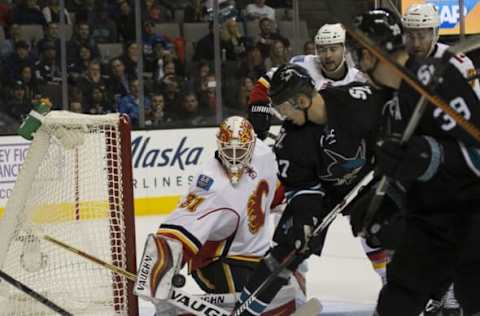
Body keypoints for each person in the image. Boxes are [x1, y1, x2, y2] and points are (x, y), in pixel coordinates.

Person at [348, 8, 480, 316]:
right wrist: (385, 196)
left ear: (368, 55)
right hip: (430, 218)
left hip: (469, 213)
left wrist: (431, 156)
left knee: (472, 293)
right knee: (397, 298)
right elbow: (402, 162)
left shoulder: (440, 79)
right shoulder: (390, 99)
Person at [236, 63, 392, 315]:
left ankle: (416, 293)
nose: (282, 116)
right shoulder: (290, 140)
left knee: (390, 230)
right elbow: (302, 188)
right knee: (289, 247)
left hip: (373, 178)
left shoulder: (354, 101)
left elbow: (392, 119)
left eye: (283, 108)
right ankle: (246, 310)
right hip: (326, 191)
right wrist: (303, 220)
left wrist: (389, 150)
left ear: (301, 100)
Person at [135, 116, 296, 315]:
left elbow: (273, 193)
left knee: (282, 289)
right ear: (219, 146)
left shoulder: (263, 155)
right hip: (217, 260)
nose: (235, 157)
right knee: (248, 302)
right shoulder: (212, 185)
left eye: (241, 150)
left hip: (257, 253)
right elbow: (180, 227)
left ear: (253, 145)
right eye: (229, 150)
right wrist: (157, 271)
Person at [289, 23, 365, 90]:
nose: (328, 55)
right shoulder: (303, 65)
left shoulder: (357, 79)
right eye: (322, 50)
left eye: (333, 49)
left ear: (344, 51)